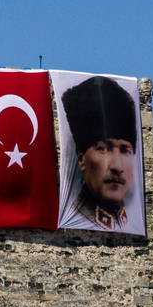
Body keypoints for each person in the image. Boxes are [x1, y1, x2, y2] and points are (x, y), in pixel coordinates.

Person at [60, 75, 140, 232]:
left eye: (125, 150)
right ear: (81, 158)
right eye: (103, 149)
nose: (117, 166)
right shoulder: (75, 214)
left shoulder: (130, 221)